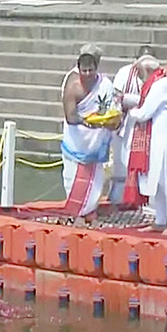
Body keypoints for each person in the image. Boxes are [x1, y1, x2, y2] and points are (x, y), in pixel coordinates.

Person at [60, 52, 119, 226]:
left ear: (96, 69)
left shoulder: (105, 84)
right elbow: (71, 117)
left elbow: (110, 109)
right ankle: (78, 212)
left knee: (95, 177)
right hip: (77, 139)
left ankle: (90, 209)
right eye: (84, 70)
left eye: (90, 70)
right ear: (78, 70)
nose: (87, 74)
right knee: (73, 177)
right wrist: (87, 121)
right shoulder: (73, 87)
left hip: (97, 138)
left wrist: (108, 121)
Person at [128, 53, 167, 236]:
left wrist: (130, 112)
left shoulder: (161, 84)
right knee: (158, 179)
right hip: (157, 137)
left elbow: (145, 113)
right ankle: (160, 220)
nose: (140, 77)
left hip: (165, 137)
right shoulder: (159, 82)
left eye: (141, 73)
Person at [109, 45, 154, 205]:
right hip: (126, 125)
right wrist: (135, 101)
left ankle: (142, 199)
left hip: (146, 127)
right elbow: (117, 97)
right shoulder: (125, 73)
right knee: (122, 163)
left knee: (143, 164)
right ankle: (119, 199)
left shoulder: (157, 76)